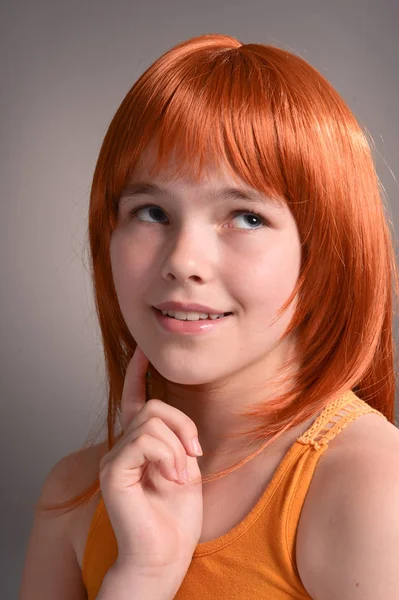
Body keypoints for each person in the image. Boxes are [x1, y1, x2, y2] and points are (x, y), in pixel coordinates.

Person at [19, 33, 399, 600]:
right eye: (151, 212)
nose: (183, 262)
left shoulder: (372, 485)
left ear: (321, 253)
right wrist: (142, 575)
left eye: (245, 217)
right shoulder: (73, 493)